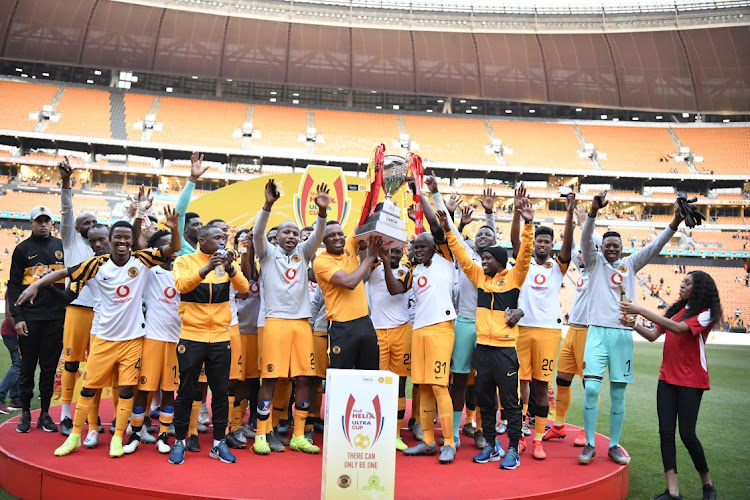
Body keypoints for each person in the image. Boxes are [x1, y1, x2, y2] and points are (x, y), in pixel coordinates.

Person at [17, 210, 181, 458]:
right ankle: (74, 438)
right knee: (89, 389)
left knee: (126, 390)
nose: (123, 241)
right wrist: (36, 284)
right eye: (118, 237)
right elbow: (64, 273)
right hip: (103, 339)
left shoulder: (142, 260)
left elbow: (172, 249)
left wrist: (174, 228)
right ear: (111, 239)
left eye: (127, 237)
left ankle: (117, 438)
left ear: (131, 240)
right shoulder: (96, 264)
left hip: (133, 340)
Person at [578, 191, 684, 466]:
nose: (611, 249)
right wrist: (592, 211)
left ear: (622, 248)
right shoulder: (593, 263)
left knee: (617, 393)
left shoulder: (630, 264)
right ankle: (589, 443)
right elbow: (585, 237)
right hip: (597, 333)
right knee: (590, 390)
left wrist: (674, 223)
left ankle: (613, 446)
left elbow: (655, 247)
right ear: (601, 248)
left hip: (623, 335)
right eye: (607, 245)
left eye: (616, 245)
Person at [436, 196, 534, 470]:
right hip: (482, 350)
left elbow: (525, 254)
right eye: (483, 258)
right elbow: (461, 254)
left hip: (505, 351)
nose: (483, 262)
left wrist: (528, 223)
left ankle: (513, 448)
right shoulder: (479, 277)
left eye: (488, 259)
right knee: (486, 401)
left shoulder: (514, 277)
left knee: (511, 404)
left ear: (500, 261)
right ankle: (491, 445)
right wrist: (447, 229)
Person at [621, 271, 720, 500]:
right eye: (682, 281)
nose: (682, 285)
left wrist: (640, 309)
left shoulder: (707, 313)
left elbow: (679, 329)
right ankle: (673, 492)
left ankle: (707, 485)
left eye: (687, 283)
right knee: (665, 433)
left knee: (687, 434)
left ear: (700, 288)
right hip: (666, 378)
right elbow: (654, 335)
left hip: (691, 380)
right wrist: (633, 323)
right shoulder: (675, 310)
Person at [251, 178, 329, 455]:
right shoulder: (267, 253)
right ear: (277, 237)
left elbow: (318, 235)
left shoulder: (304, 254)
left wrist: (322, 212)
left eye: (295, 233)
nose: (292, 236)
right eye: (286, 232)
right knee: (270, 379)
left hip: (301, 324)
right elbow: (257, 233)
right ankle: (261, 434)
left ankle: (298, 435)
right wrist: (268, 205)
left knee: (306, 378)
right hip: (275, 322)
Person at [380, 193, 457, 465]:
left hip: (440, 329)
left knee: (438, 386)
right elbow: (394, 289)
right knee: (422, 386)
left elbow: (436, 227)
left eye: (423, 245)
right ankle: (427, 441)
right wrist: (382, 262)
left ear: (435, 247)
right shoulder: (415, 271)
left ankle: (448, 442)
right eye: (415, 246)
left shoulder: (445, 258)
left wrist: (420, 194)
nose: (418, 248)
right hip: (419, 331)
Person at [169, 222, 249, 465]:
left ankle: (218, 443)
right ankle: (180, 441)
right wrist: (207, 268)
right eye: (216, 237)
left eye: (223, 237)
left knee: (221, 393)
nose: (222, 240)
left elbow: (244, 289)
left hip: (221, 337)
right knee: (186, 391)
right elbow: (183, 286)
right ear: (202, 241)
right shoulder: (184, 262)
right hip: (192, 335)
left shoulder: (227, 264)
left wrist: (231, 269)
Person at [428, 176, 497, 450]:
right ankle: (454, 432)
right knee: (458, 380)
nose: (482, 236)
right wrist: (436, 195)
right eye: (479, 234)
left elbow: (494, 239)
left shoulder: (499, 264)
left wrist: (490, 214)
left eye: (488, 235)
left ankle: (480, 429)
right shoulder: (467, 257)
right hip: (466, 324)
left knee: (483, 383)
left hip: (490, 327)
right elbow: (453, 235)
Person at [515, 192, 575, 460]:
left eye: (546, 241)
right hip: (523, 328)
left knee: (541, 386)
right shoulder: (524, 261)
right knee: (517, 383)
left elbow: (568, 246)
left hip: (549, 332)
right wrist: (519, 214)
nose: (541, 244)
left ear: (551, 245)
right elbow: (517, 244)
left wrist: (570, 213)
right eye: (538, 240)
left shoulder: (558, 267)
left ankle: (538, 439)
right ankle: (518, 437)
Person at [543, 204, 602, 447]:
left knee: (590, 384)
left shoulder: (599, 269)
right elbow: (577, 247)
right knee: (563, 379)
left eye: (584, 251)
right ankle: (559, 425)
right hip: (573, 330)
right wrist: (577, 224)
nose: (579, 254)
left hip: (590, 332)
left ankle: (588, 431)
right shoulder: (584, 270)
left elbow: (586, 244)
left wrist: (587, 223)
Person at [122, 228, 182, 455]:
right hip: (151, 339)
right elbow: (138, 248)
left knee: (169, 391)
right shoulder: (149, 271)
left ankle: (164, 434)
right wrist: (138, 215)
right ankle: (135, 432)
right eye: (168, 244)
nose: (173, 248)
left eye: (175, 244)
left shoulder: (182, 272)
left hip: (175, 341)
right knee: (143, 390)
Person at [6, 206, 66, 434]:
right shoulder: (22, 249)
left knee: (49, 370)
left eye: (46, 221)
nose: (43, 224)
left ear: (52, 223)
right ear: (31, 223)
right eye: (38, 221)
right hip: (30, 319)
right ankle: (24, 414)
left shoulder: (61, 247)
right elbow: (13, 286)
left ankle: (45, 414)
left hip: (56, 319)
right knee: (27, 369)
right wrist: (17, 318)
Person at [57, 157, 100, 437]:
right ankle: (64, 414)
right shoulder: (70, 241)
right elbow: (66, 210)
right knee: (71, 363)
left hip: (101, 314)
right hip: (76, 310)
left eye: (95, 221)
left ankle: (91, 420)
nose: (91, 224)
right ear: (77, 227)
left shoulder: (105, 248)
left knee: (96, 367)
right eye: (86, 222)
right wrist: (65, 183)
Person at [313, 219, 381, 371]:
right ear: (323, 240)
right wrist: (370, 257)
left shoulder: (349, 245)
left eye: (340, 234)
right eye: (331, 235)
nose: (337, 238)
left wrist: (375, 196)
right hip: (341, 327)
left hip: (365, 322)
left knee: (370, 375)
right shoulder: (321, 262)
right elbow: (349, 283)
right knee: (340, 377)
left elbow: (364, 219)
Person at [367, 244, 413, 451]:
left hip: (401, 331)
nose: (392, 255)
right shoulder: (371, 266)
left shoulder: (405, 271)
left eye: (396, 252)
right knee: (375, 382)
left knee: (399, 383)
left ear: (402, 254)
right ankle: (373, 429)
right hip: (376, 331)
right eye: (389, 251)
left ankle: (395, 434)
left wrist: (386, 262)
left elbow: (395, 289)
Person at [0, 301, 21, 415]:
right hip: (12, 333)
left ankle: (16, 399)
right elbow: (11, 311)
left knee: (19, 363)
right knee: (18, 364)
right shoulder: (15, 287)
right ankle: (1, 396)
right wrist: (18, 331)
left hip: (10, 331)